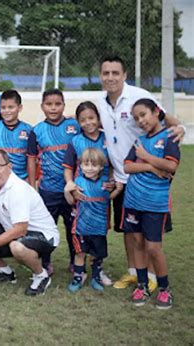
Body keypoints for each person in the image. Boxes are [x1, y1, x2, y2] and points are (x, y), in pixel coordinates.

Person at [97, 56, 185, 292]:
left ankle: (154, 276)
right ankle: (135, 273)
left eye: (116, 73)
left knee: (150, 234)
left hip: (148, 181)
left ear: (124, 75)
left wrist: (181, 128)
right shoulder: (100, 102)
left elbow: (169, 122)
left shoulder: (138, 96)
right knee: (130, 231)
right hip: (121, 177)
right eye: (106, 73)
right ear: (100, 76)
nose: (111, 77)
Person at [0, 149, 59, 296]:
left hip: (44, 236)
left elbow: (21, 229)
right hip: (15, 231)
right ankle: (5, 272)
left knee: (17, 247)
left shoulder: (18, 189)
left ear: (9, 167)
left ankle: (41, 275)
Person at [122, 98, 180, 310]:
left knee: (153, 248)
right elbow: (127, 166)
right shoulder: (139, 140)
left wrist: (145, 158)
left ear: (156, 112)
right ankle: (142, 286)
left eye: (143, 115)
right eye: (137, 118)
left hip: (155, 204)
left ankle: (164, 290)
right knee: (137, 242)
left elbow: (171, 166)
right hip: (132, 201)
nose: (140, 120)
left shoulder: (168, 137)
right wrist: (150, 167)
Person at [27, 88, 80, 275]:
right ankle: (46, 262)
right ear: (42, 107)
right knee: (46, 228)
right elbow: (32, 159)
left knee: (73, 228)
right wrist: (33, 185)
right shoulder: (37, 131)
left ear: (64, 106)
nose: (53, 108)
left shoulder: (74, 126)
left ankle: (75, 261)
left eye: (58, 104)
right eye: (49, 104)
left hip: (72, 188)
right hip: (48, 190)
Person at [62, 101, 113, 286]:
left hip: (101, 196)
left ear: (98, 118)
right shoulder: (76, 140)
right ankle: (80, 273)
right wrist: (71, 185)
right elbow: (68, 167)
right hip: (82, 196)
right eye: (83, 120)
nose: (88, 122)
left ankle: (98, 272)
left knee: (99, 234)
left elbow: (115, 164)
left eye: (91, 118)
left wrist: (114, 183)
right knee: (81, 233)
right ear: (78, 122)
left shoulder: (108, 138)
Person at [65, 148, 123, 293]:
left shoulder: (106, 183)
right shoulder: (77, 181)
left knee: (97, 255)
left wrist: (117, 190)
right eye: (86, 164)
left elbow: (107, 198)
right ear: (80, 165)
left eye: (94, 165)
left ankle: (96, 278)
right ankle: (78, 277)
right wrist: (67, 190)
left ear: (101, 167)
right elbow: (71, 201)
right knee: (80, 254)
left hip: (99, 227)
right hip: (80, 228)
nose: (90, 168)